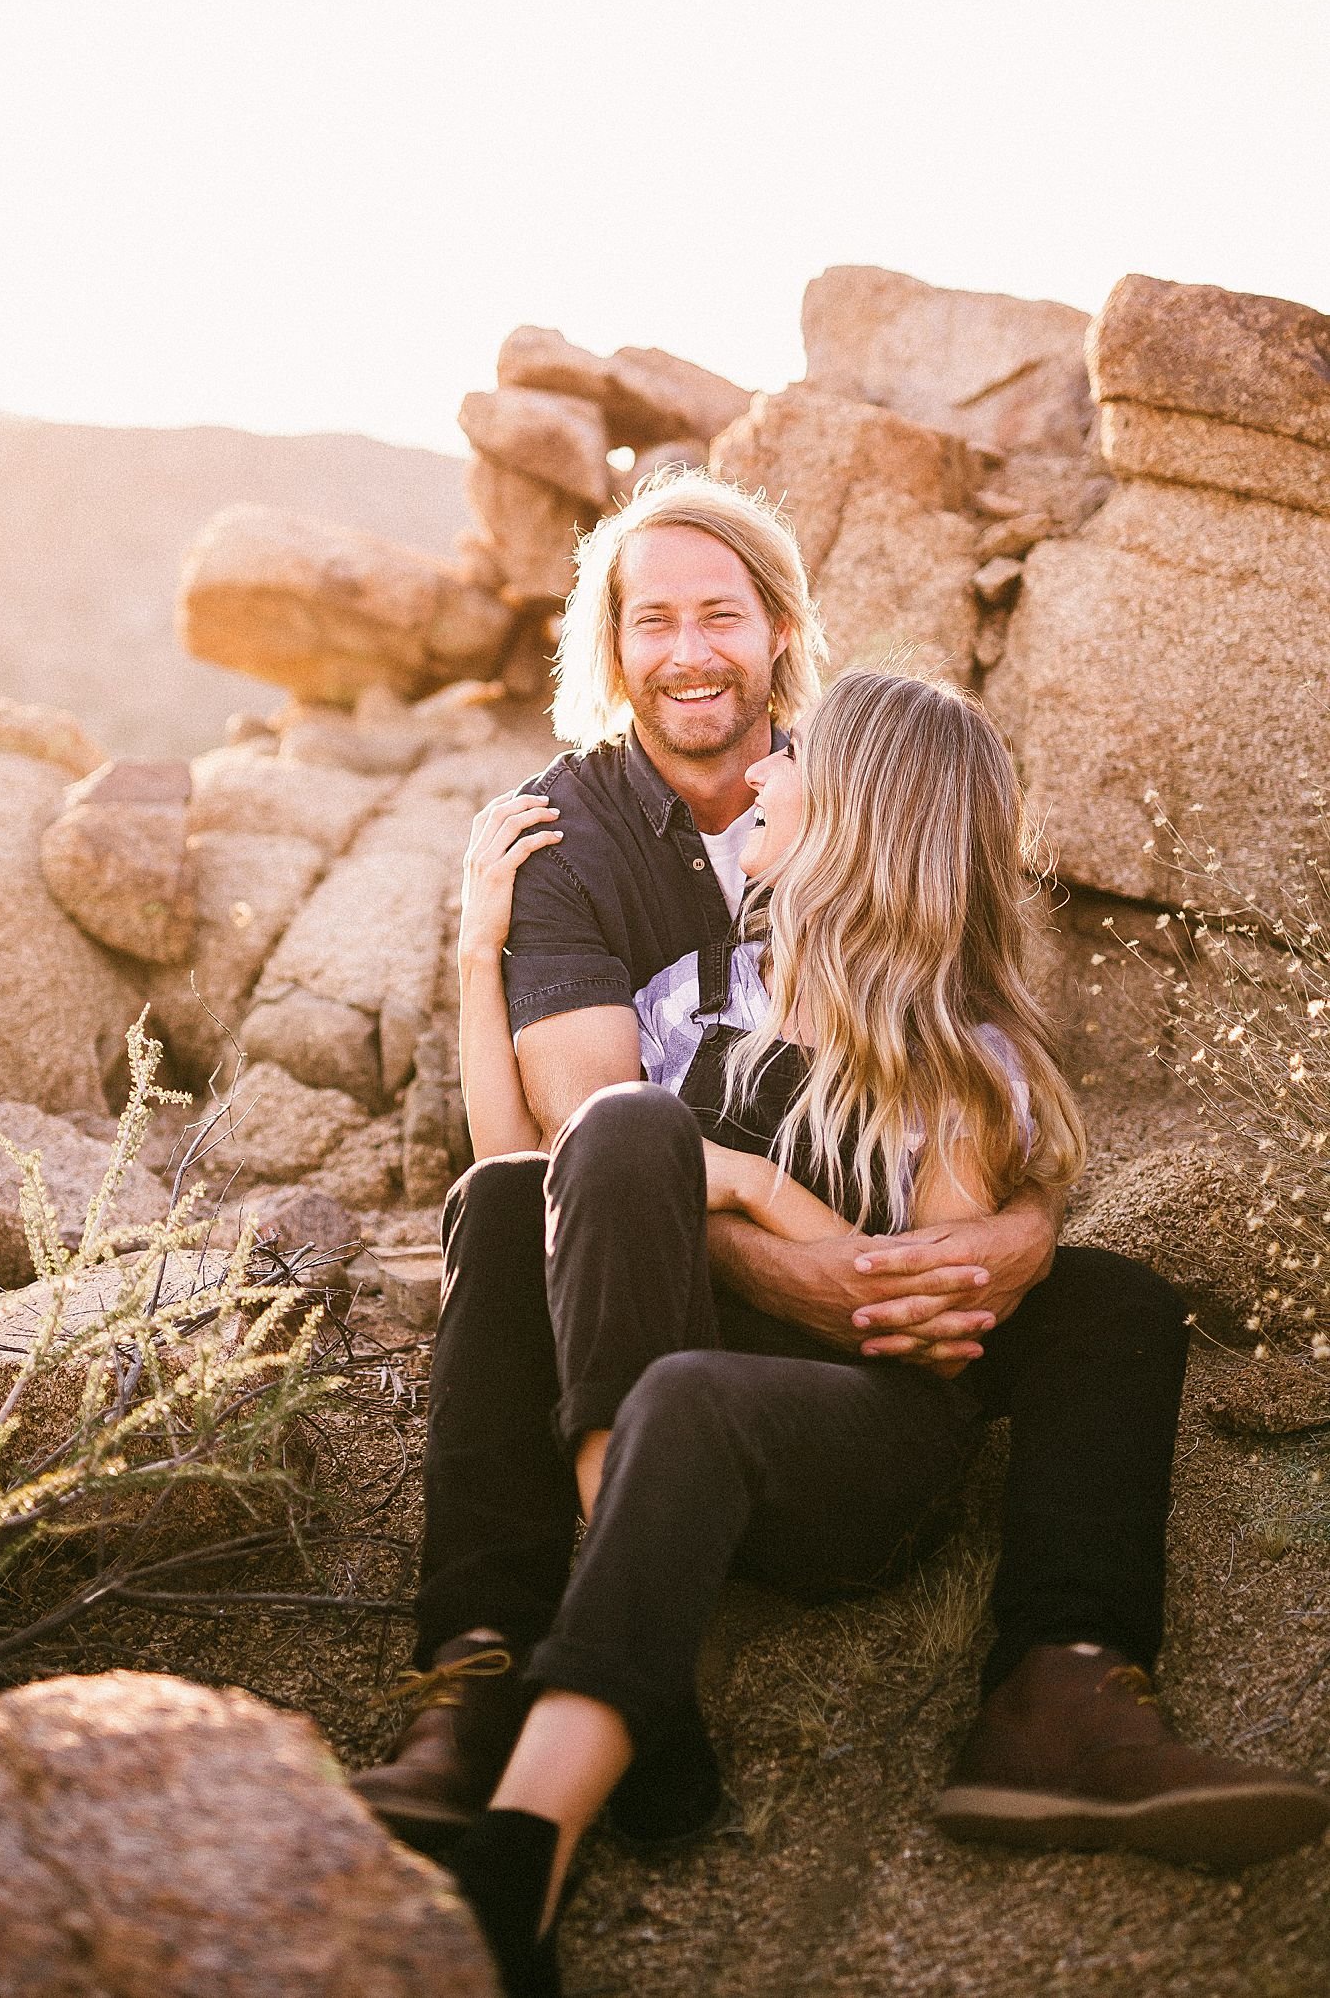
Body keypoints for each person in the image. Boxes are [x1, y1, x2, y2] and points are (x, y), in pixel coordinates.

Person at [351, 476, 1327, 1983]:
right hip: (685, 1325)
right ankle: (495, 1683)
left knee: (1106, 1298)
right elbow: (556, 1156)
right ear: (610, 646)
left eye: (721, 620)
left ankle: (1054, 1690)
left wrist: (1016, 1232)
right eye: (651, 618)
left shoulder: (938, 1044)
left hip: (845, 1418)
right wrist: (740, 1189)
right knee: (582, 1180)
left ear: (786, 650)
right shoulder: (630, 905)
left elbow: (929, 1239)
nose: (755, 777)